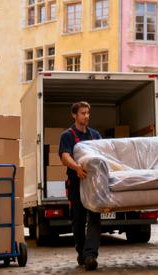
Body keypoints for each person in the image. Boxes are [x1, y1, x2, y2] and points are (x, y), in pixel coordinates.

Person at [59, 101, 104, 271]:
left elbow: (103, 154)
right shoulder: (68, 135)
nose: (86, 116)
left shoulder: (95, 135)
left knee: (94, 217)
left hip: (94, 184)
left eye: (87, 113)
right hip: (76, 183)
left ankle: (91, 255)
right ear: (74, 115)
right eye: (83, 113)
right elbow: (65, 156)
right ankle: (82, 251)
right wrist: (77, 167)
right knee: (78, 220)